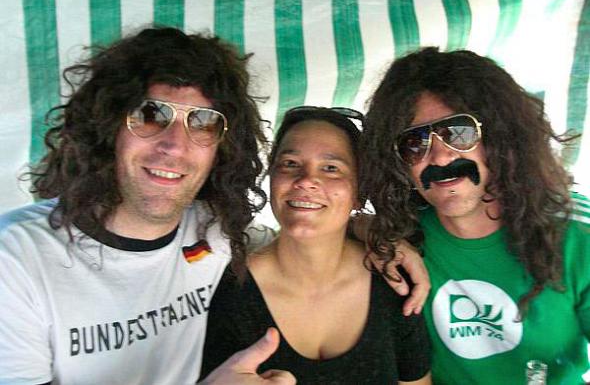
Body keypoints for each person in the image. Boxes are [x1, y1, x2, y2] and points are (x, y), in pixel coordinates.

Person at [0, 27, 295, 385]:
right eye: (150, 115)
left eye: (203, 123)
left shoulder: (214, 231)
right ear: (106, 128)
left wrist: (358, 229)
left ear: (222, 148)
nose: (174, 145)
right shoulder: (15, 258)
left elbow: (304, 248)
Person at [361, 47, 590, 384]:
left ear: (501, 135)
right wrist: (366, 229)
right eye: (415, 143)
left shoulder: (575, 234)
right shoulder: (403, 236)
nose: (440, 157)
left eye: (459, 132)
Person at [200, 106, 432, 384]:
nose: (307, 180)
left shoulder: (393, 280)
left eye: (331, 168)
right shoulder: (229, 291)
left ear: (359, 192)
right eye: (290, 164)